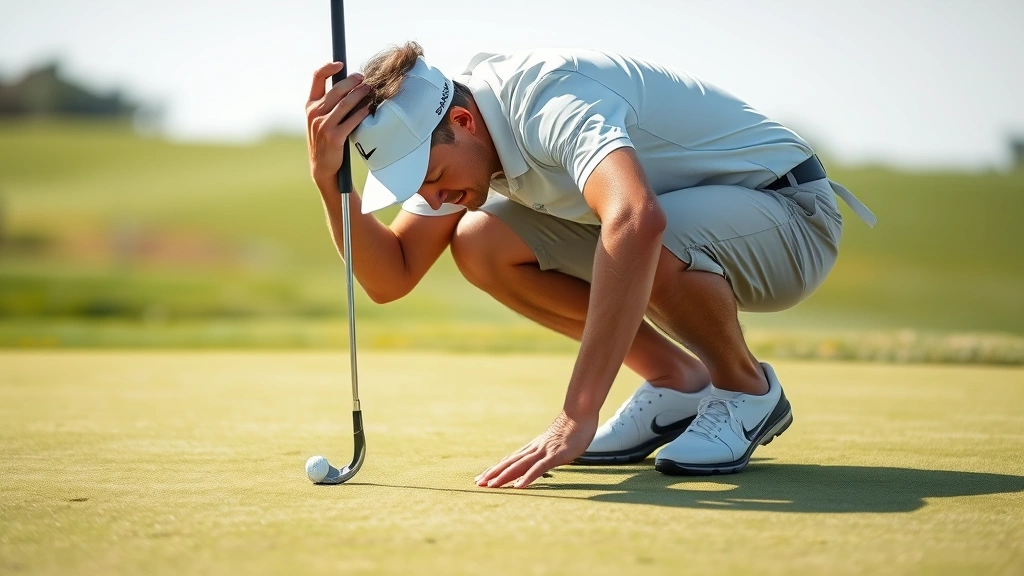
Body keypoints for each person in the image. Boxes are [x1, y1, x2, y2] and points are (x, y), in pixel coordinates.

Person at [304, 42, 875, 489]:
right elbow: (391, 276)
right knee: (479, 240)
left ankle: (748, 389)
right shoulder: (457, 148)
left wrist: (576, 415)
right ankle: (676, 381)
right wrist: (330, 183)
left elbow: (636, 221)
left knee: (647, 230)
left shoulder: (550, 101)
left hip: (792, 216)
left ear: (464, 121)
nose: (432, 195)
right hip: (695, 226)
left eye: (432, 175)